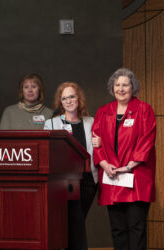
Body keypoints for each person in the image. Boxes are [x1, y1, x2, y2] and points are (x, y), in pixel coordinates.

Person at [92, 68, 156, 250]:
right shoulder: (103, 112)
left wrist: (127, 167)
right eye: (117, 85)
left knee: (136, 228)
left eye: (125, 85)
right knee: (118, 229)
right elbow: (96, 143)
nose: (121, 88)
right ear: (112, 88)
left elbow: (146, 142)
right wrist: (105, 165)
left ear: (132, 87)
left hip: (136, 178)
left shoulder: (144, 110)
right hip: (112, 178)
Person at [44, 82, 99, 250]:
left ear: (79, 98)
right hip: (65, 182)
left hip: (88, 180)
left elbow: (100, 148)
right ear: (60, 102)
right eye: (64, 98)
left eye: (72, 96)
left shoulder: (91, 121)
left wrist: (100, 142)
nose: (68, 101)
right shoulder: (52, 124)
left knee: (75, 221)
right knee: (75, 220)